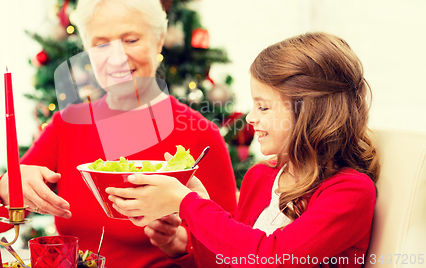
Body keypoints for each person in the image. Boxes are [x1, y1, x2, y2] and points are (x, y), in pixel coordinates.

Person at [0, 0, 237, 268]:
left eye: (132, 39)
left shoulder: (200, 134)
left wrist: (181, 246)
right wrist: (7, 187)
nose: (117, 57)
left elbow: (231, 253)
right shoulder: (66, 125)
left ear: (159, 42)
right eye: (101, 45)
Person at [106, 32, 381, 267]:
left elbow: (271, 256)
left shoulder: (350, 192)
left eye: (263, 106)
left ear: (310, 112)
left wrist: (187, 203)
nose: (250, 118)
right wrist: (184, 234)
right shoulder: (260, 177)